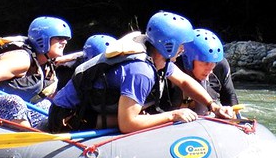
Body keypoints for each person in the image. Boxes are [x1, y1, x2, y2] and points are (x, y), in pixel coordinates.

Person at [49, 11, 234, 134]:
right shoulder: (141, 71)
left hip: (86, 108)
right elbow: (127, 124)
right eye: (181, 45)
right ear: (168, 44)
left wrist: (213, 105)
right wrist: (172, 115)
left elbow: (184, 81)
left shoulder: (156, 56)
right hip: (67, 116)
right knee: (147, 118)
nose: (184, 49)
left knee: (149, 116)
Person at [171, 28, 239, 114]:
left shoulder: (220, 66)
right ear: (188, 60)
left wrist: (231, 113)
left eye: (213, 63)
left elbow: (230, 99)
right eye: (205, 63)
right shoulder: (172, 66)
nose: (210, 70)